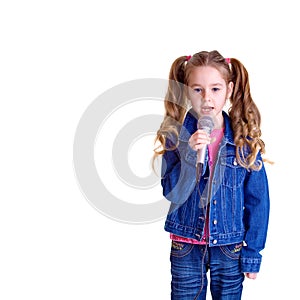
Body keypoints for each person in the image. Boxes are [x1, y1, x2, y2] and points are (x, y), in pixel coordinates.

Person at [153, 50, 270, 299]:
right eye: (198, 90)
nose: (207, 98)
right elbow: (172, 192)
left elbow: (258, 201)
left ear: (228, 90)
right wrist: (188, 154)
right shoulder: (176, 138)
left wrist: (253, 253)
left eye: (215, 89)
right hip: (186, 245)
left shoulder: (243, 142)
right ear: (187, 91)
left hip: (229, 247)